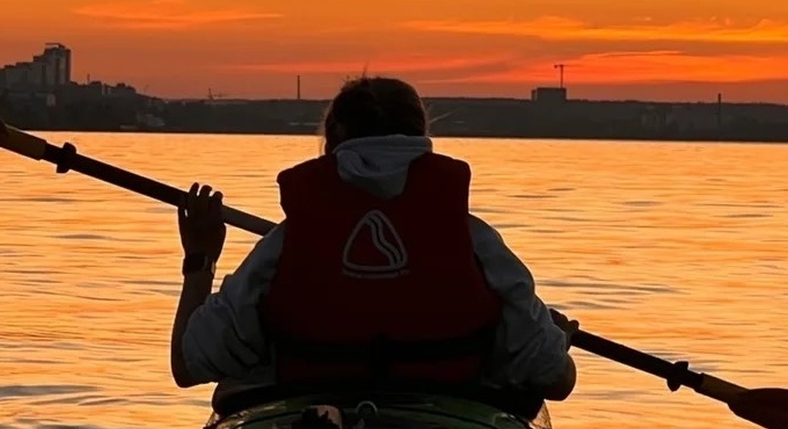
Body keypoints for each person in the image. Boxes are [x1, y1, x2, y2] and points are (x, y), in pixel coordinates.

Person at [169, 76, 576, 409]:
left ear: (330, 146)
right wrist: (557, 344)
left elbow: (187, 366)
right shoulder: (478, 244)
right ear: (422, 143)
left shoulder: (282, 247)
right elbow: (555, 382)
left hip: (308, 424)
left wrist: (200, 258)